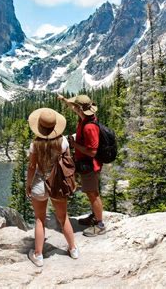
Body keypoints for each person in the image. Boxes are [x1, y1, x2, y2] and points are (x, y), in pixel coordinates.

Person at [25, 107, 79, 267]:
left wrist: (28, 184)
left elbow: (32, 167)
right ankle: (73, 249)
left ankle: (38, 255)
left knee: (39, 219)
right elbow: (68, 162)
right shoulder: (63, 142)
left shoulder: (35, 144)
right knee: (63, 217)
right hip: (57, 184)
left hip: (40, 184)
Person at [58, 94, 106, 237]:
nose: (75, 109)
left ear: (81, 109)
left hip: (91, 165)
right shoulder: (85, 117)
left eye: (76, 106)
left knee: (93, 194)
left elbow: (92, 152)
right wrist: (64, 100)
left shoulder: (89, 127)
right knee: (91, 192)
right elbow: (74, 108)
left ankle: (100, 224)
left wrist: (74, 145)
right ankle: (94, 216)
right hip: (85, 164)